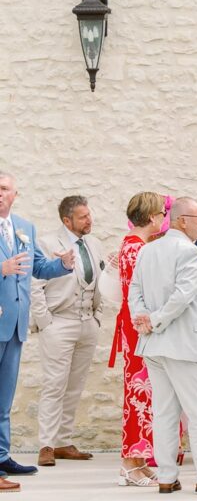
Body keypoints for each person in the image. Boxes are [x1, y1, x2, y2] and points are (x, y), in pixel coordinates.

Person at [128, 197, 197, 495]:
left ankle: (167, 476)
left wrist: (141, 319)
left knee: (165, 413)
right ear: (182, 220)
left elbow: (135, 291)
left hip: (155, 345)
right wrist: (152, 320)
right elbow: (183, 296)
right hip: (186, 345)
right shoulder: (190, 252)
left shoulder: (148, 250)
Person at [0, 171, 75, 489]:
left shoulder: (24, 228)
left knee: (5, 398)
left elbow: (39, 267)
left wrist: (64, 264)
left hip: (15, 325)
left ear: (15, 194)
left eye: (4, 188)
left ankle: (2, 457)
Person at [30, 193, 106, 467]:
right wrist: (45, 321)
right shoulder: (47, 243)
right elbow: (35, 283)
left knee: (75, 386)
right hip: (59, 321)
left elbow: (102, 277)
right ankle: (47, 444)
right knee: (54, 384)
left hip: (88, 321)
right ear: (67, 220)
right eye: (83, 217)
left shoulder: (94, 243)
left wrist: (97, 316)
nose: (89, 220)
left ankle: (63, 441)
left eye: (89, 214)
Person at [108, 191, 167, 486]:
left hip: (139, 326)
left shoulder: (138, 245)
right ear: (150, 217)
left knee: (146, 393)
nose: (162, 219)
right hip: (138, 327)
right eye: (160, 214)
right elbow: (138, 293)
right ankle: (129, 462)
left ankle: (140, 459)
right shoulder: (135, 248)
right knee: (137, 393)